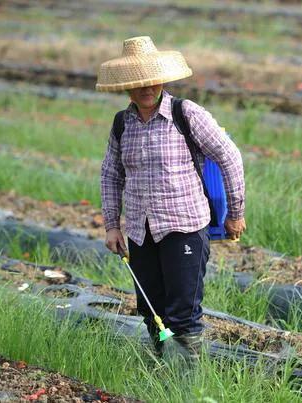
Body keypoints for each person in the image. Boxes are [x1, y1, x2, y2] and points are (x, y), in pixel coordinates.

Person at [96, 36, 246, 357]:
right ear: (127, 87)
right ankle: (163, 367)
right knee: (153, 312)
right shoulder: (123, 123)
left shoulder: (186, 114)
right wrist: (111, 225)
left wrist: (236, 212)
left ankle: (185, 380)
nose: (146, 88)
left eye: (152, 81)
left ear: (161, 79)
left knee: (183, 315)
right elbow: (111, 174)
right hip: (140, 231)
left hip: (184, 227)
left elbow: (229, 156)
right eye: (138, 83)